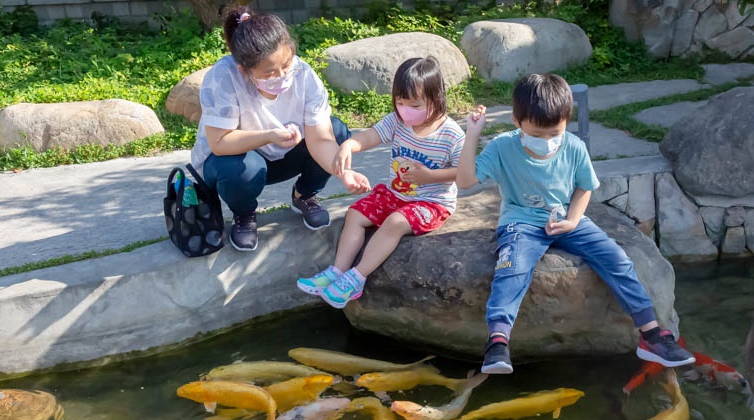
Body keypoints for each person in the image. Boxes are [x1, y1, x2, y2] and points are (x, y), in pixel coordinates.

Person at [457, 73, 696, 375]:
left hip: (567, 218)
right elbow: (465, 181)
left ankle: (651, 335)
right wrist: (473, 134)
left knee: (617, 259)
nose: (547, 142)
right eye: (537, 134)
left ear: (566, 121)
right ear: (516, 122)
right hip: (521, 222)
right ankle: (497, 341)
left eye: (554, 133)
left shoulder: (572, 146)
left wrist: (572, 219)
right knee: (512, 268)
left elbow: (585, 187)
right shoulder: (503, 147)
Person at [190, 7, 369, 251]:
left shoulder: (304, 75)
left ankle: (304, 195)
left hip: (282, 155)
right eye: (270, 73)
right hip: (231, 162)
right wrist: (269, 136)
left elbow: (321, 140)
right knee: (242, 168)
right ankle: (244, 214)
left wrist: (343, 172)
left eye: (286, 65)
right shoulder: (224, 77)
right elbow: (219, 143)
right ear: (245, 70)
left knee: (337, 132)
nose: (283, 75)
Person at [296, 56, 465, 309]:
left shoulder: (451, 134)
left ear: (436, 97)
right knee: (355, 213)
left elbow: (464, 173)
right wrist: (349, 146)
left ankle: (357, 277)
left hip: (431, 202)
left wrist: (429, 177)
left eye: (414, 104)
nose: (405, 109)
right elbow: (371, 135)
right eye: (400, 102)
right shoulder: (398, 121)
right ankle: (337, 271)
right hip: (396, 194)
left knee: (395, 221)